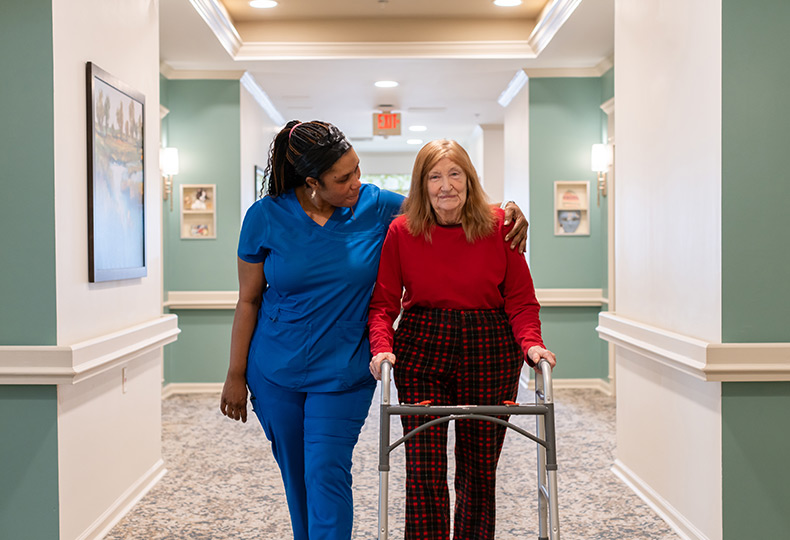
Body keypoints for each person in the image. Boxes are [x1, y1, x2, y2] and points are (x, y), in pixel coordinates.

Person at [219, 121, 529, 540]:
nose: (356, 183)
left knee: (326, 468)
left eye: (358, 170)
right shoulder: (264, 216)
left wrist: (507, 211)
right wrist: (235, 374)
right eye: (343, 177)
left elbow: (444, 202)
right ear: (313, 182)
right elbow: (249, 299)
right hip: (274, 367)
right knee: (296, 473)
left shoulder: (377, 205)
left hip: (344, 367)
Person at [368, 139, 557, 540]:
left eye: (455, 174)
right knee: (423, 469)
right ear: (421, 185)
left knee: (479, 469)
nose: (445, 185)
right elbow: (383, 303)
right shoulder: (402, 231)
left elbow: (521, 300)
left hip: (490, 347)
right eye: (434, 176)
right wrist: (382, 347)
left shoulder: (499, 226)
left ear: (469, 180)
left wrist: (531, 344)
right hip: (422, 345)